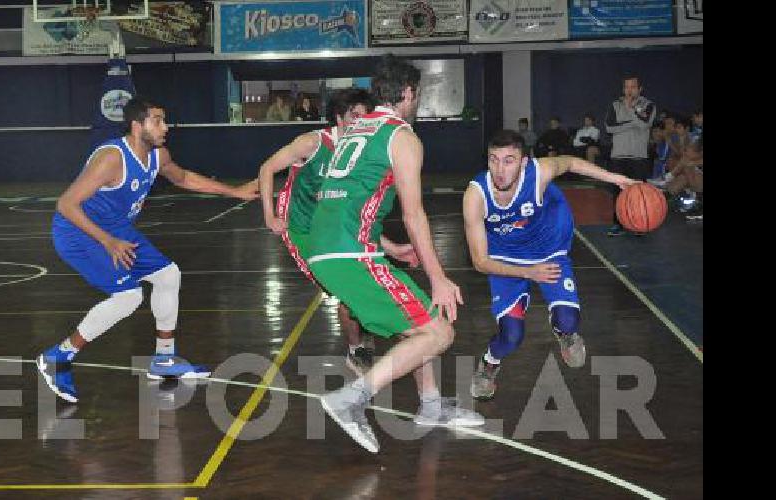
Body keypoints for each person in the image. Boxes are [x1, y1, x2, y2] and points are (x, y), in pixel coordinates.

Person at [309, 55, 484, 454]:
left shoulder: (356, 128)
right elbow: (413, 212)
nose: (417, 102)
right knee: (439, 332)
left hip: (332, 247)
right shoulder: (401, 135)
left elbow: (346, 197)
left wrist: (387, 247)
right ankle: (350, 399)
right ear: (407, 93)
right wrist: (439, 275)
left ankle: (431, 406)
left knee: (421, 323)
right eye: (417, 95)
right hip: (349, 253)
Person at [37, 98, 260, 403]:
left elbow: (182, 178)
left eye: (164, 120)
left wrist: (234, 192)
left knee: (168, 276)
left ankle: (164, 360)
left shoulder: (158, 155)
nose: (165, 127)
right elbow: (66, 204)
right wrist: (107, 241)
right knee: (129, 297)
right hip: (78, 232)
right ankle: (59, 356)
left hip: (116, 230)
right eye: (157, 120)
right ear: (136, 125)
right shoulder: (112, 158)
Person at [463, 130, 639, 400]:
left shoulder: (538, 173)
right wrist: (527, 272)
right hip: (505, 257)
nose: (499, 169)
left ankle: (563, 332)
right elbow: (479, 262)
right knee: (511, 336)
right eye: (494, 160)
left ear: (523, 163)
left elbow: (570, 162)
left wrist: (617, 180)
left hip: (547, 247)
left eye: (508, 160)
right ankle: (488, 366)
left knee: (568, 320)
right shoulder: (475, 195)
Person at [257, 88, 419, 375]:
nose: (360, 121)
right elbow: (267, 167)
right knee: (345, 289)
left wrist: (392, 249)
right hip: (302, 230)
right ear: (339, 118)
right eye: (354, 116)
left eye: (364, 116)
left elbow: (353, 216)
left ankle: (362, 330)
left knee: (354, 284)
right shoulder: (313, 142)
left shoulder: (363, 150)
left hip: (333, 227)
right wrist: (270, 215)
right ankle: (356, 349)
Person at [604, 75, 657, 236]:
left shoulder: (649, 105)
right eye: (626, 87)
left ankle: (639, 225)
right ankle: (618, 224)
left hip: (638, 157)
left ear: (640, 89)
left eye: (633, 87)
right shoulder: (615, 105)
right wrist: (633, 122)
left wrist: (631, 109)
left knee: (638, 194)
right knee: (618, 194)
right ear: (623, 89)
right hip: (618, 157)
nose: (629, 90)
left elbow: (645, 123)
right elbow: (609, 127)